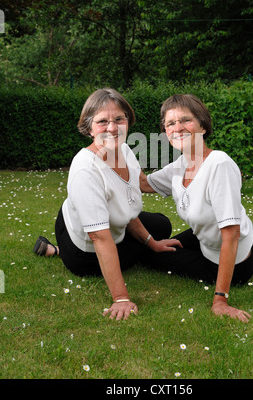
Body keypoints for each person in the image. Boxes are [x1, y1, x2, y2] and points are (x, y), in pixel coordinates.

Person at [33, 88, 182, 320]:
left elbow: (135, 191)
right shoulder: (85, 168)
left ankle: (54, 250)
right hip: (84, 249)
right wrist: (121, 298)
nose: (112, 128)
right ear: (89, 127)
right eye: (102, 121)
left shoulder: (124, 150)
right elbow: (100, 237)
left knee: (161, 226)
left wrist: (152, 242)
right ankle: (59, 252)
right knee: (140, 253)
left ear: (128, 121)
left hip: (107, 224)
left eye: (119, 119)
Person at [140, 93, 253, 323]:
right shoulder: (180, 165)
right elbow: (143, 183)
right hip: (205, 236)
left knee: (151, 258)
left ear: (202, 125)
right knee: (156, 247)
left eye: (185, 120)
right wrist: (115, 152)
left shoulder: (219, 164)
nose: (178, 128)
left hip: (230, 255)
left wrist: (220, 300)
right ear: (165, 132)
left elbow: (231, 234)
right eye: (170, 123)